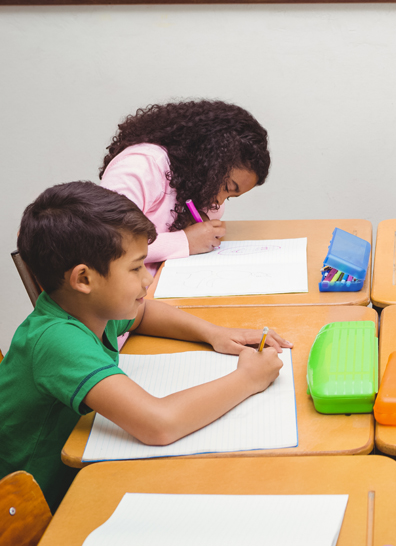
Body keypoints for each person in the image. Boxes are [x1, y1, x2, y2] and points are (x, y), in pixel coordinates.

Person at [0, 182, 290, 510]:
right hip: (33, 511)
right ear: (84, 279)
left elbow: (142, 313)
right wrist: (248, 379)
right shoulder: (56, 340)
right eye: (135, 267)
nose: (147, 279)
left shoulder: (92, 308)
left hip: (80, 473)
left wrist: (214, 333)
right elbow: (159, 424)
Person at [100, 99, 270, 275]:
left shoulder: (189, 180)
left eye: (229, 197)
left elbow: (211, 213)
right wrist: (185, 242)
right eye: (226, 187)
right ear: (208, 160)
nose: (218, 202)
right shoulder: (141, 166)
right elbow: (108, 242)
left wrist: (202, 221)